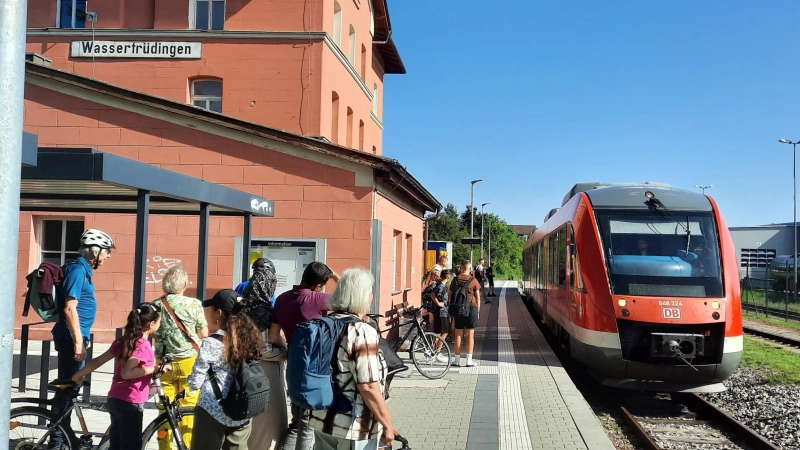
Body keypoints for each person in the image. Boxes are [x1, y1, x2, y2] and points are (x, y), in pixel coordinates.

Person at [309, 268, 394, 450]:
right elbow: (368, 386)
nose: (372, 297)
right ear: (362, 296)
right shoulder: (360, 331)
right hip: (352, 426)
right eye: (370, 292)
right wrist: (386, 423)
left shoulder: (324, 324)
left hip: (321, 417)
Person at [50, 228, 115, 450]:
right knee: (66, 390)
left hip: (73, 338)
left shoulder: (82, 270)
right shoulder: (78, 270)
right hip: (71, 339)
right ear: (95, 251)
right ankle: (57, 442)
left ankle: (64, 437)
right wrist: (78, 340)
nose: (108, 256)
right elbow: (69, 308)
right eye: (106, 252)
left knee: (69, 388)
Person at [269, 262, 340, 450]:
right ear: (318, 286)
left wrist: (289, 349)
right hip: (314, 368)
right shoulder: (317, 299)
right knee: (308, 423)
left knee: (297, 420)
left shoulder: (282, 299)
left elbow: (273, 336)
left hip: (293, 366)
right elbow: (348, 297)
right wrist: (334, 275)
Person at [71, 303, 161, 450]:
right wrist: (153, 368)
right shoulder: (143, 346)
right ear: (151, 324)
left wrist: (78, 375)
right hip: (131, 402)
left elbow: (98, 361)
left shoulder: (123, 341)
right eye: (159, 322)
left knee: (117, 443)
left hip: (115, 399)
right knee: (131, 445)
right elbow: (127, 372)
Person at [189, 289, 264, 450]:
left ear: (219, 312)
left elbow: (196, 381)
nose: (208, 312)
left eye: (211, 308)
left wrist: (189, 384)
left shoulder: (212, 342)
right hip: (242, 409)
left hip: (213, 409)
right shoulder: (250, 338)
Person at [152, 265, 208, 450]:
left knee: (164, 410)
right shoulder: (194, 304)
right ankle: (188, 445)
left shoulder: (156, 305)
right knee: (189, 407)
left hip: (163, 363)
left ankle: (165, 447)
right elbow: (203, 333)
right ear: (184, 283)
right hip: (189, 362)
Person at [246, 261, 287, 450]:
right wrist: (285, 352)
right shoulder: (267, 312)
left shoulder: (241, 311)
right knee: (270, 421)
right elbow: (265, 348)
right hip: (266, 371)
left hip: (245, 371)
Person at [449, 260, 482, 367]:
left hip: (458, 309)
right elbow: (477, 298)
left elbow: (450, 296)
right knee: (470, 335)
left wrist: (453, 309)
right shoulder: (474, 280)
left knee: (458, 334)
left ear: (461, 268)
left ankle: (457, 360)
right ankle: (469, 360)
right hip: (471, 308)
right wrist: (478, 312)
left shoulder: (455, 280)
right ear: (470, 269)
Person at [421, 266, 449, 363]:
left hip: (439, 311)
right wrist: (438, 303)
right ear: (448, 277)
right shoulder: (441, 286)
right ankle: (436, 352)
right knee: (444, 332)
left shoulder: (438, 285)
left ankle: (435, 352)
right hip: (441, 312)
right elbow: (433, 294)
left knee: (438, 332)